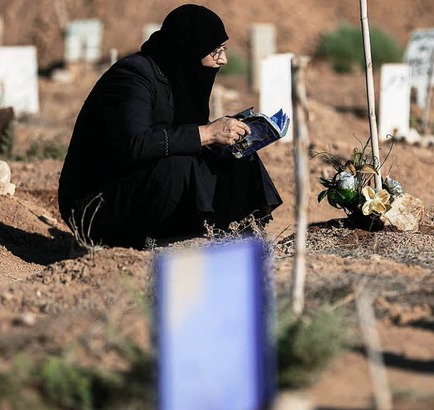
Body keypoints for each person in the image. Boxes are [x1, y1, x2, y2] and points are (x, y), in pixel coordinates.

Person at [58, 4, 283, 248]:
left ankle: (234, 239)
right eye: (215, 51)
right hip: (96, 204)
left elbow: (180, 133)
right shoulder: (132, 76)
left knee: (237, 156)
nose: (223, 60)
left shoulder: (176, 77)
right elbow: (136, 143)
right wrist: (207, 133)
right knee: (177, 164)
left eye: (223, 50)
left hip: (138, 186)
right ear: (189, 49)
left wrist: (222, 137)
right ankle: (149, 243)